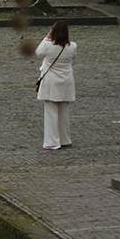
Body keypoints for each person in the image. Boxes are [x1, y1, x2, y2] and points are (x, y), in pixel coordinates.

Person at [35, 19, 78, 151]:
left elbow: (38, 52)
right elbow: (73, 58)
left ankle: (52, 142)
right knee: (64, 112)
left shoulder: (48, 45)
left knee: (51, 113)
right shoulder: (73, 46)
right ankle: (65, 139)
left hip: (51, 83)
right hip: (66, 82)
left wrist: (46, 37)